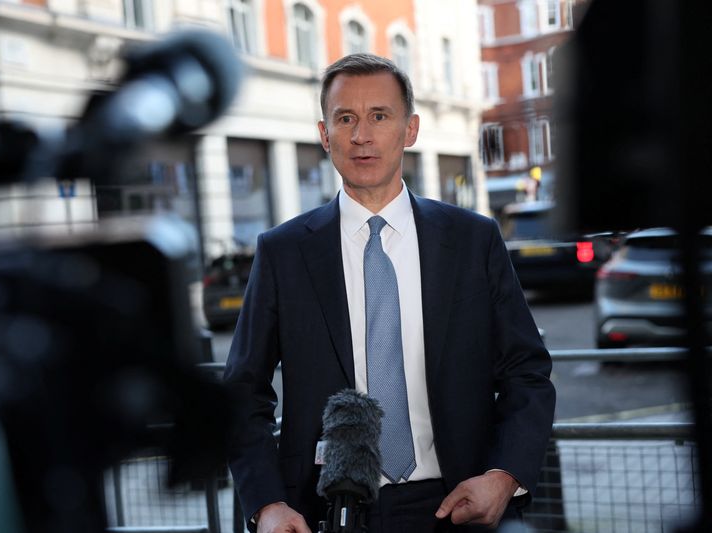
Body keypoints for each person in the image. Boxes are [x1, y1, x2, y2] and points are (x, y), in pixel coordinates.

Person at [224, 53, 555, 533]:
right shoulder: (283, 252)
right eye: (345, 119)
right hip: (324, 510)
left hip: (460, 503)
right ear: (325, 135)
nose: (362, 134)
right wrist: (266, 503)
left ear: (410, 129)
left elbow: (527, 370)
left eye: (379, 116)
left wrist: (504, 477)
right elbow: (242, 393)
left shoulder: (471, 240)